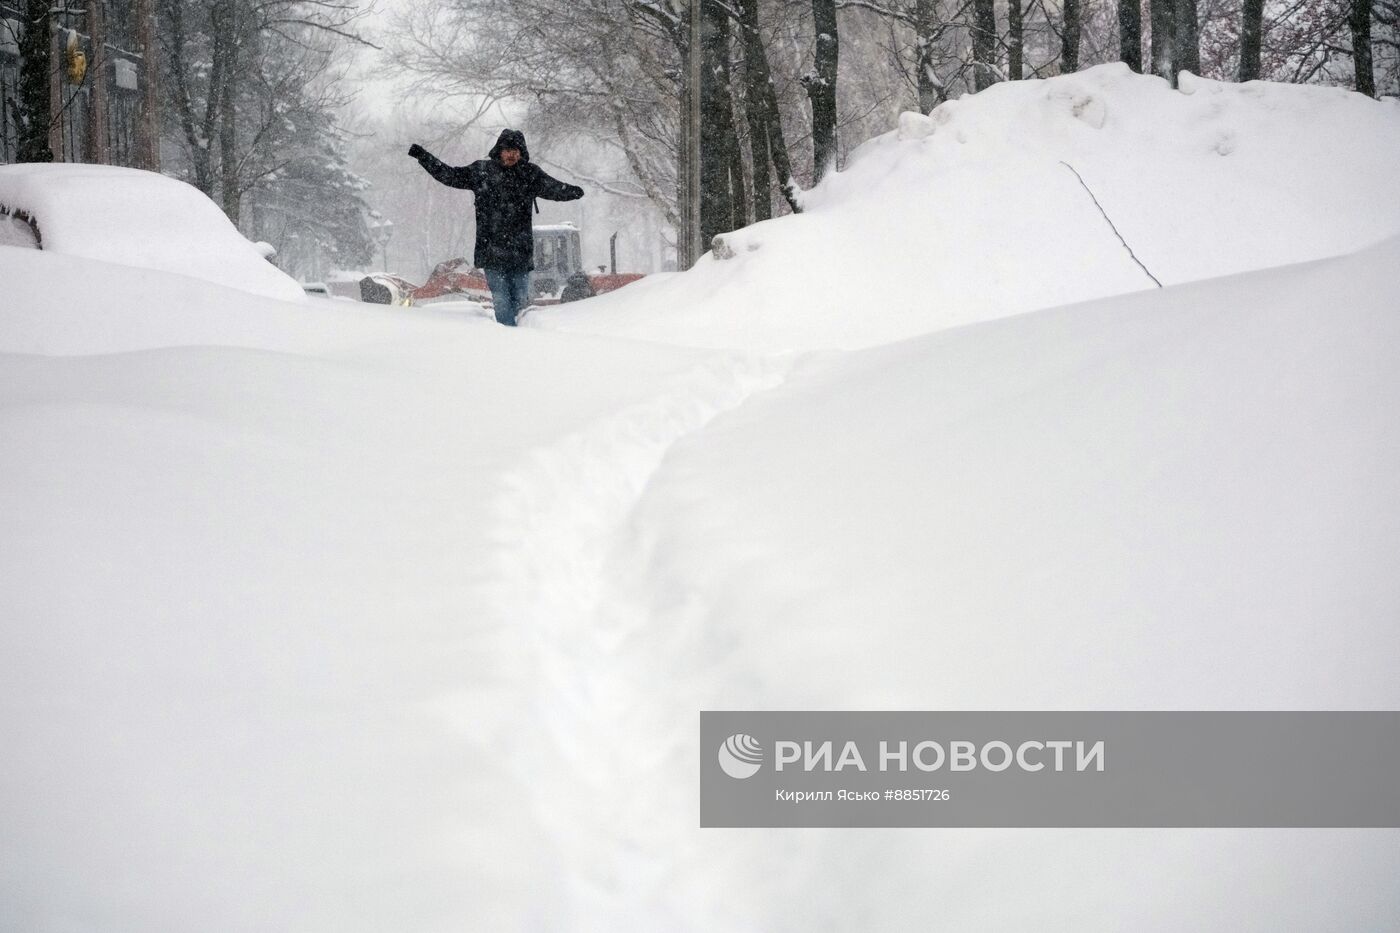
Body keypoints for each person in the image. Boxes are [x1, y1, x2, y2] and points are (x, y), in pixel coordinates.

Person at [408, 130, 584, 326]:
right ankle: (508, 341)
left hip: (520, 252)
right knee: (501, 302)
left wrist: (572, 191)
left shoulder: (530, 173)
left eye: (516, 151)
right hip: (492, 252)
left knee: (521, 302)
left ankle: (524, 341)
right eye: (508, 150)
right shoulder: (481, 171)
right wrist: (423, 157)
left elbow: (553, 188)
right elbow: (450, 175)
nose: (512, 155)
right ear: (499, 150)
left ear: (522, 152)